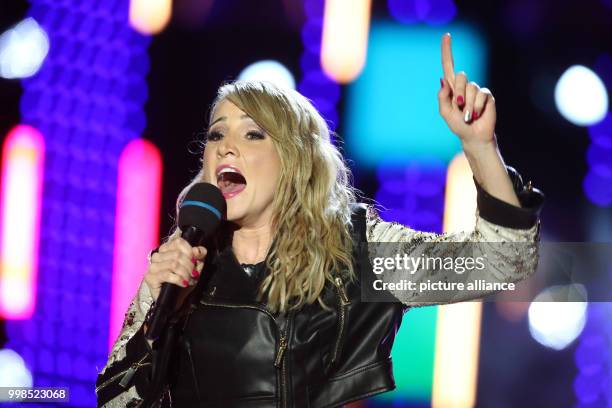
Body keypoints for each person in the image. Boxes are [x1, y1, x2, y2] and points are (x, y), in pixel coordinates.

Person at [96, 34, 544, 407]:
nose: (225, 148)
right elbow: (115, 400)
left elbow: (502, 264)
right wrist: (157, 295)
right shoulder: (184, 263)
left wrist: (480, 147)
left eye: (252, 133)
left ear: (294, 160)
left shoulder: (355, 254)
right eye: (217, 134)